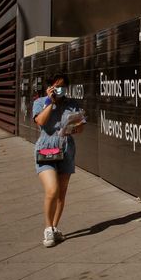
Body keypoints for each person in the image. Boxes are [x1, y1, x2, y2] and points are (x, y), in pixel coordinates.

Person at [32, 72, 83, 247]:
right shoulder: (40, 102)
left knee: (61, 193)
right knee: (52, 190)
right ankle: (48, 229)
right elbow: (40, 121)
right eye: (56, 86)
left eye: (62, 86)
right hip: (46, 149)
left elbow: (80, 127)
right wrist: (50, 102)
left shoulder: (72, 104)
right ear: (50, 87)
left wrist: (76, 126)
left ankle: (54, 228)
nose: (60, 89)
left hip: (66, 149)